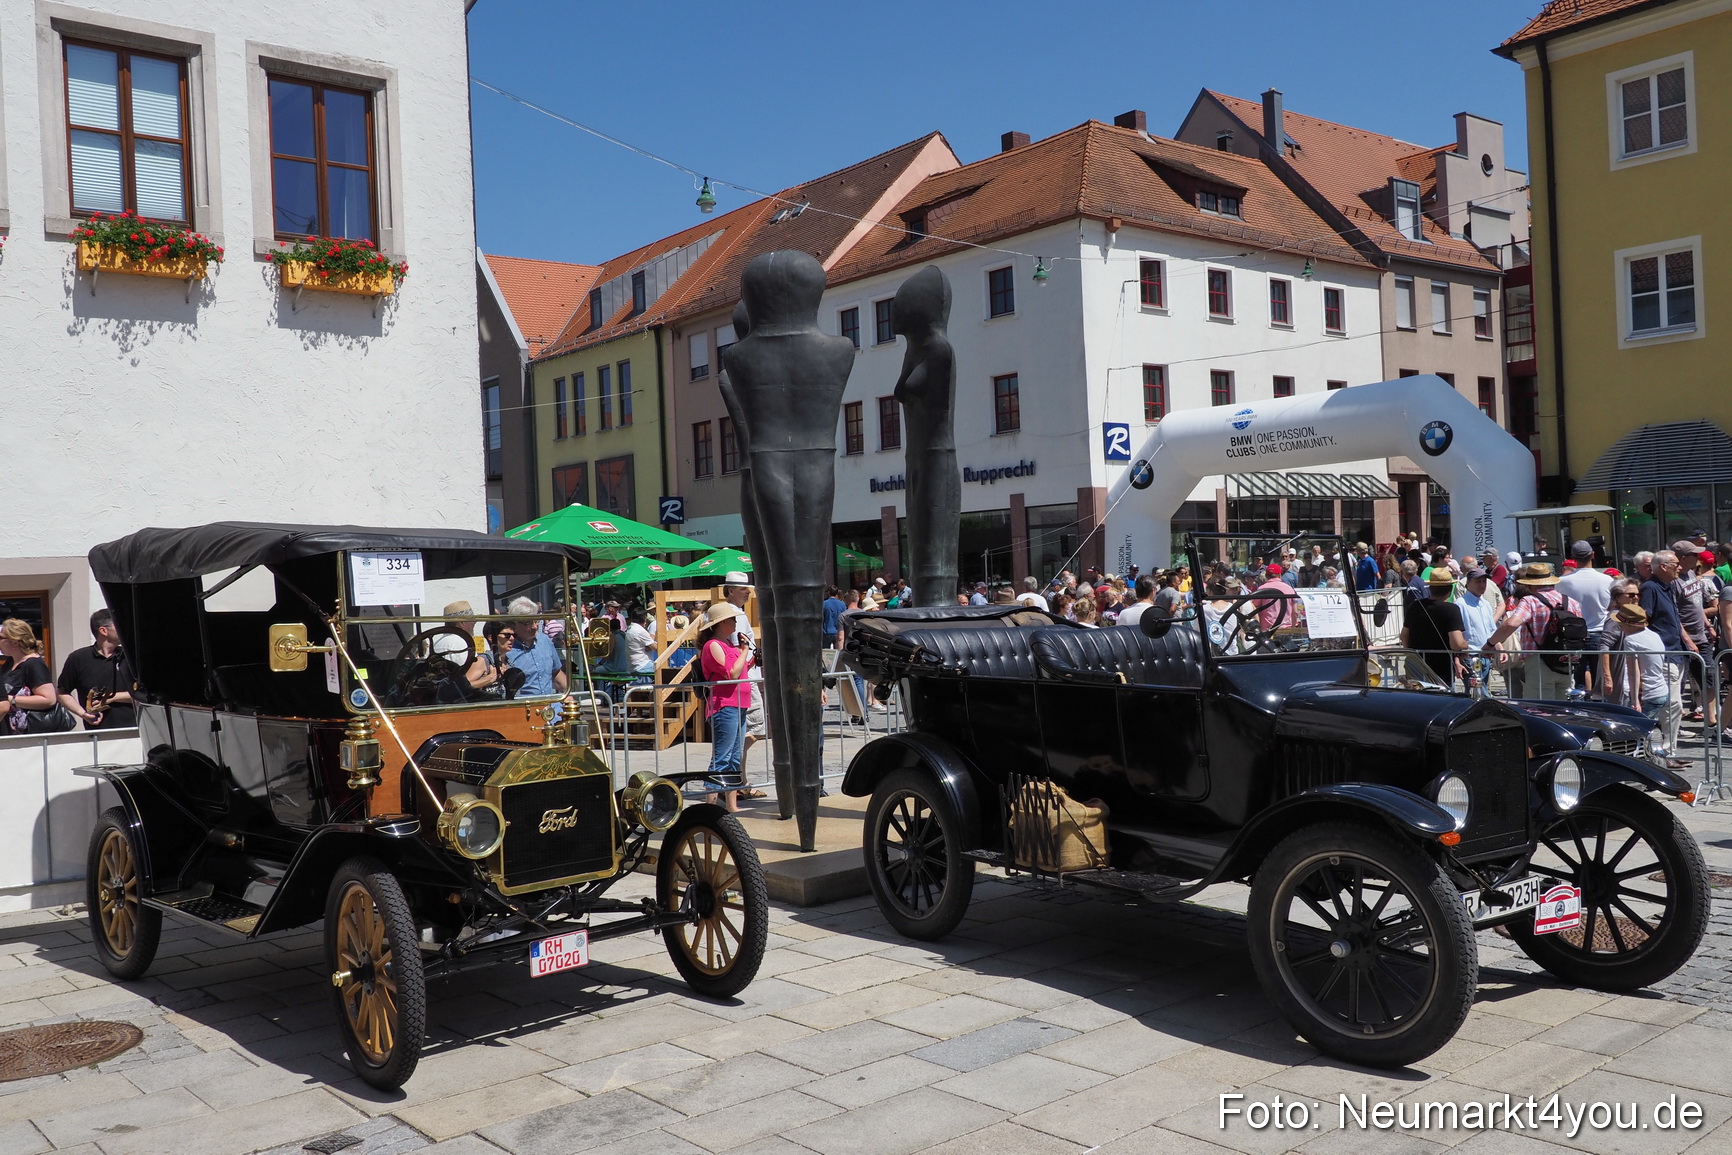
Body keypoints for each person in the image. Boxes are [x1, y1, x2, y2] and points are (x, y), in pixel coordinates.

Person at [1480, 563, 1583, 700]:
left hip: (1539, 661)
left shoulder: (1530, 601)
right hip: (1567, 661)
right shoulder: (1571, 602)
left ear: (1530, 584)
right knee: (1563, 709)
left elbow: (1511, 623)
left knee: (1539, 709)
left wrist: (1491, 643)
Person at [697, 602, 753, 812]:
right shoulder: (713, 645)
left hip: (738, 704)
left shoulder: (729, 645)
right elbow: (732, 673)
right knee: (722, 758)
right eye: (731, 619)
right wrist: (745, 650)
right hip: (725, 706)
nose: (735, 622)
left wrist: (750, 657)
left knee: (735, 758)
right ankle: (709, 807)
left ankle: (732, 805)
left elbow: (741, 668)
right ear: (720, 623)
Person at [721, 574, 769, 797]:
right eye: (743, 589)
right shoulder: (731, 614)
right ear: (731, 590)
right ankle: (735, 777)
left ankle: (738, 778)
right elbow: (737, 648)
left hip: (747, 675)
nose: (748, 592)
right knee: (753, 728)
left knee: (751, 728)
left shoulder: (740, 614)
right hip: (741, 676)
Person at [1639, 550, 1690, 757]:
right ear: (1663, 566)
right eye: (1675, 564)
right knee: (1671, 705)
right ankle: (1663, 753)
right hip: (1664, 654)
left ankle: (1667, 751)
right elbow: (1645, 620)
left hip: (1676, 653)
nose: (1680, 567)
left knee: (1674, 706)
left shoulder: (1668, 587)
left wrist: (1686, 640)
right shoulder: (1651, 588)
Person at [57, 609, 136, 730]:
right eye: (118, 625)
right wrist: (83, 714)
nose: (124, 629)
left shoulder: (131, 657)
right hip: (97, 734)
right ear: (103, 630)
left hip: (133, 732)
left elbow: (144, 694)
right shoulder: (78, 658)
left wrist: (112, 698)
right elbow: (62, 693)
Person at [1557, 540, 1615, 698]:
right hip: (1599, 634)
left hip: (1573, 637)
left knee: (1577, 682)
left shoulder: (1562, 582)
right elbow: (1611, 606)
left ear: (1573, 558)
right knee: (1600, 682)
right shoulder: (1607, 580)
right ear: (1593, 555)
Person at [1, 620, 70, 733]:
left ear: (14, 642)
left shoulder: (34, 664)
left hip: (33, 733)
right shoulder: (10, 663)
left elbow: (48, 699)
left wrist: (10, 700)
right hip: (13, 732)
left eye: (1, 638)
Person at [1402, 570, 1468, 684]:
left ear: (1430, 588)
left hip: (1417, 664)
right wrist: (1465, 645)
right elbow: (1456, 643)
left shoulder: (1415, 606)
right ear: (1450, 589)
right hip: (1442, 667)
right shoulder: (1451, 609)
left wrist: (1413, 653)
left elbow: (1403, 636)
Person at [431, 600, 497, 695]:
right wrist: (488, 678)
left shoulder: (438, 642)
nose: (474, 622)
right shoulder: (461, 643)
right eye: (472, 619)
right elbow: (465, 678)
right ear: (462, 623)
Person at [504, 597, 567, 697]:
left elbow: (556, 673)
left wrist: (569, 695)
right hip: (523, 708)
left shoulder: (544, 641)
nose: (534, 626)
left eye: (536, 621)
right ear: (514, 623)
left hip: (549, 707)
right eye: (528, 622)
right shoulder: (507, 650)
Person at [623, 608, 658, 677]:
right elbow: (656, 648)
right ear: (644, 618)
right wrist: (658, 636)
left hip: (634, 665)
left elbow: (647, 645)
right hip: (642, 665)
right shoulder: (640, 631)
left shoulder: (631, 628)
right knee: (664, 671)